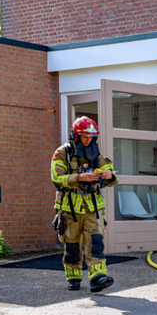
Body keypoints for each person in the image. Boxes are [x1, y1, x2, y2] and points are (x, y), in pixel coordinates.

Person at [51, 116, 117, 292]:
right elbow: (56, 178)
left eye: (91, 138)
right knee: (72, 246)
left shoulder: (96, 154)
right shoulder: (62, 153)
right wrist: (78, 177)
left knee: (95, 241)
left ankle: (98, 277)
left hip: (92, 207)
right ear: (76, 136)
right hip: (69, 208)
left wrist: (110, 176)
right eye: (84, 137)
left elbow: (111, 176)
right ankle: (74, 277)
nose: (87, 141)